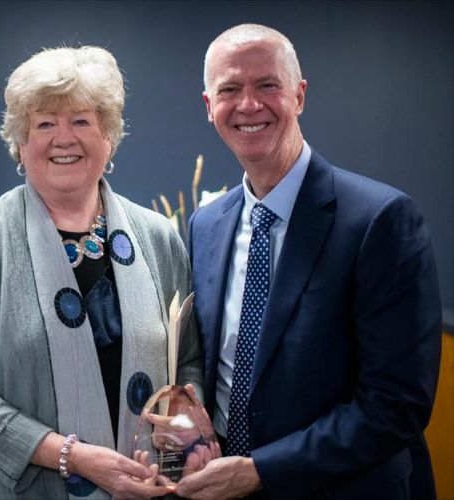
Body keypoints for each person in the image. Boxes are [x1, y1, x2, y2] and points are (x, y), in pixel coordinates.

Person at [0, 45, 203, 499]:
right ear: (20, 142)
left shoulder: (158, 238)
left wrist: (189, 428)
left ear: (108, 136)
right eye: (45, 123)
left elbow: (187, 362)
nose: (63, 138)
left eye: (81, 121)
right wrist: (71, 456)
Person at [179, 24, 442, 499]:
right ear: (208, 107)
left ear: (299, 96)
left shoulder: (379, 220)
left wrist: (260, 470)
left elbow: (396, 404)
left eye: (268, 86)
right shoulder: (206, 226)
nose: (249, 105)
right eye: (230, 89)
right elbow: (213, 367)